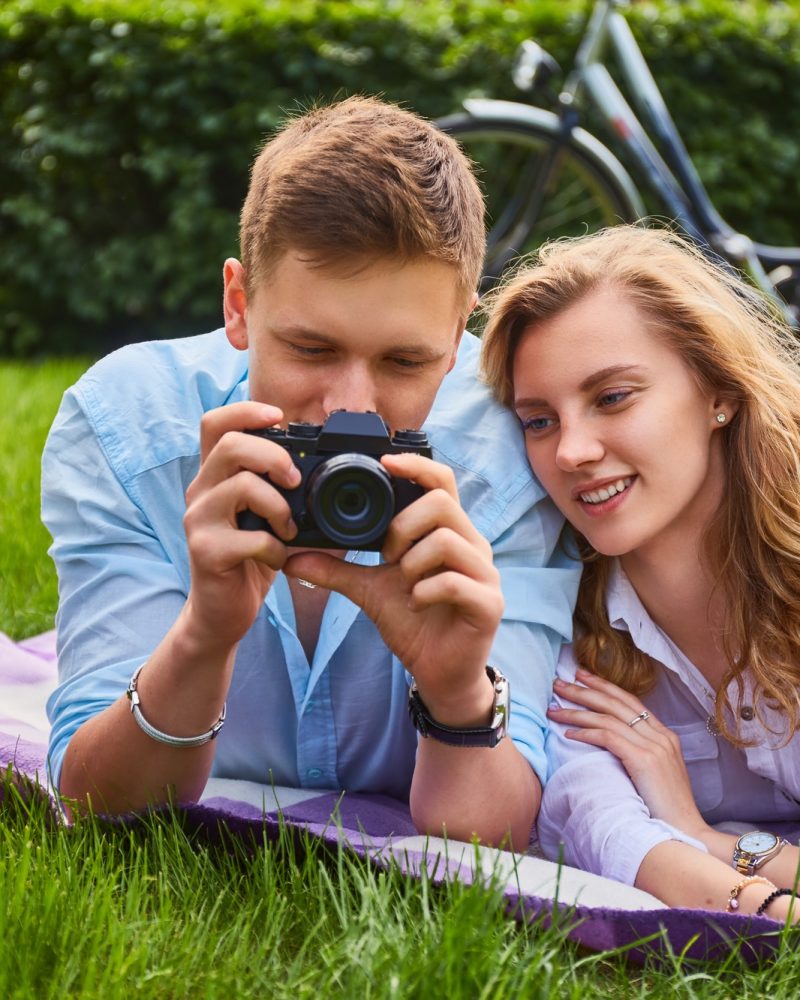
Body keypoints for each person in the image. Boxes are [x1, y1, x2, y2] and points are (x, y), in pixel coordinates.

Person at [41, 96, 579, 850]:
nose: (347, 408)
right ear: (239, 304)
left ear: (458, 337)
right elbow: (96, 804)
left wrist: (457, 691)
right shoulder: (128, 430)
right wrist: (203, 635)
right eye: (312, 350)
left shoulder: (503, 463)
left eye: (404, 361)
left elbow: (491, 838)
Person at [480, 224, 800, 919]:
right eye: (539, 421)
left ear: (719, 390)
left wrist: (713, 838)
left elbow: (679, 845)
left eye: (613, 397)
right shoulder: (557, 608)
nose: (571, 451)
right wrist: (743, 885)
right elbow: (607, 830)